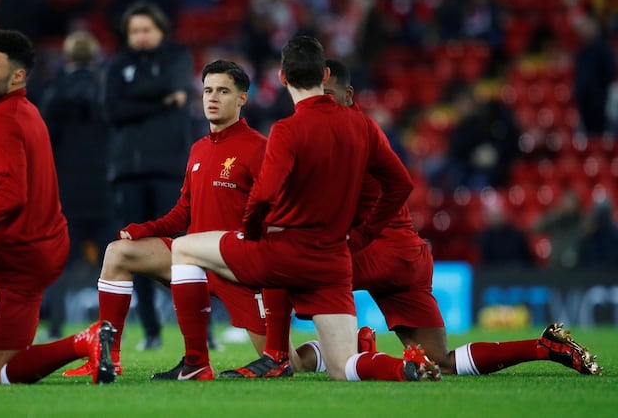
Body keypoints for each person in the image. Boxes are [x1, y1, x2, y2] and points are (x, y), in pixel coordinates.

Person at [287, 59, 602, 377]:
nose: (320, 102)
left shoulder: (340, 134)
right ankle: (543, 346)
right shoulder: (364, 130)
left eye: (327, 93)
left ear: (349, 94)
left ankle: (283, 358)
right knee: (442, 361)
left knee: (275, 270)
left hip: (371, 251)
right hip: (406, 255)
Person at [160, 36, 436, 382]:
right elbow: (401, 185)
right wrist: (363, 234)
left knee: (185, 248)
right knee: (343, 367)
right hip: (334, 260)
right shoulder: (362, 125)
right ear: (325, 75)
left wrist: (252, 233)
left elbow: (263, 197)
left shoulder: (287, 130)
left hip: (285, 256)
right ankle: (403, 367)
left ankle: (198, 361)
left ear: (282, 78)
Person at [63, 59, 269, 379]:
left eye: (223, 91)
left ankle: (330, 349)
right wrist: (144, 229)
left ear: (242, 98)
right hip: (191, 262)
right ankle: (107, 357)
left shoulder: (259, 148)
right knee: (118, 252)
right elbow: (183, 213)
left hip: (235, 266)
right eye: (208, 90)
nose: (213, 98)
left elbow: (271, 213)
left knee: (287, 362)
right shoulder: (199, 148)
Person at [0, 28, 115, 385]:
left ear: (17, 76)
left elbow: (11, 195)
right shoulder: (24, 111)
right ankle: (0, 348)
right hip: (44, 242)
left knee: (5, 374)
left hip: (18, 256)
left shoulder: (3, 123)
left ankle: (84, 340)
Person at [103, 0, 194, 351]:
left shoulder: (176, 56)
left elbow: (173, 86)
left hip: (169, 169)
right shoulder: (118, 64)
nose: (140, 37)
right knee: (132, 249)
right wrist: (161, 100)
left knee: (181, 249)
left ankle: (201, 325)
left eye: (146, 30)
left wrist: (134, 101)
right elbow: (111, 109)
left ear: (160, 31)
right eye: (134, 31)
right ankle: (152, 330)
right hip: (128, 172)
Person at [38, 30, 113, 340]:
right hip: (104, 190)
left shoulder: (54, 94)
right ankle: (111, 328)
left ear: (67, 58)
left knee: (60, 265)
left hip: (66, 191)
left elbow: (43, 143)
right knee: (114, 264)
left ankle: (54, 325)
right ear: (95, 58)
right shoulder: (106, 92)